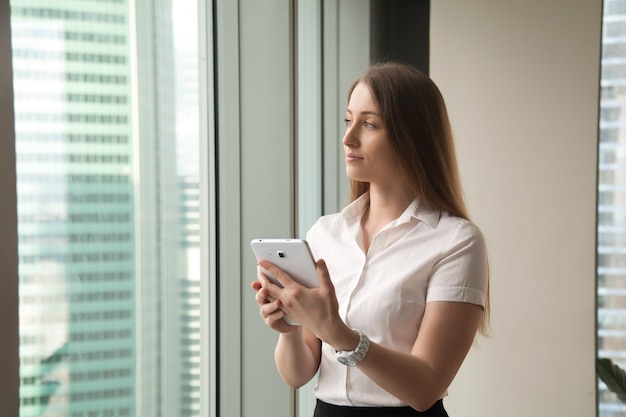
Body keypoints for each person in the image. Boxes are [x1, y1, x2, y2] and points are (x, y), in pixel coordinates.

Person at [251, 61, 490, 417]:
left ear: (412, 137)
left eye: (369, 124)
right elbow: (296, 374)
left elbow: (425, 388)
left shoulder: (456, 242)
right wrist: (288, 328)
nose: (348, 138)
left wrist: (339, 333)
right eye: (348, 121)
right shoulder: (325, 233)